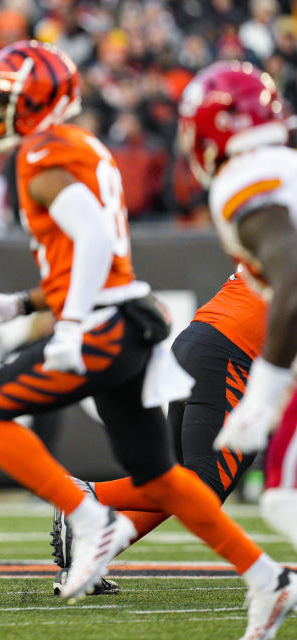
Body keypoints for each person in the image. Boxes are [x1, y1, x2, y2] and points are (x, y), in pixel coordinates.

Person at [0, 40, 295, 638]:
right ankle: (86, 505)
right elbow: (95, 244)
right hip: (209, 348)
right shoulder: (73, 149)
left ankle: (95, 515)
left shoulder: (50, 152)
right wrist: (37, 312)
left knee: (179, 481)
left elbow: (92, 249)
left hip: (158, 333)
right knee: (191, 482)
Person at [51, 272, 267, 595]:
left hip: (201, 342)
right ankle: (88, 495)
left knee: (179, 482)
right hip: (229, 352)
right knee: (201, 490)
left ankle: (89, 560)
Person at [179, 60, 297, 561]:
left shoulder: (247, 177)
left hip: (233, 350)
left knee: (282, 499)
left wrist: (263, 394)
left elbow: (293, 277)